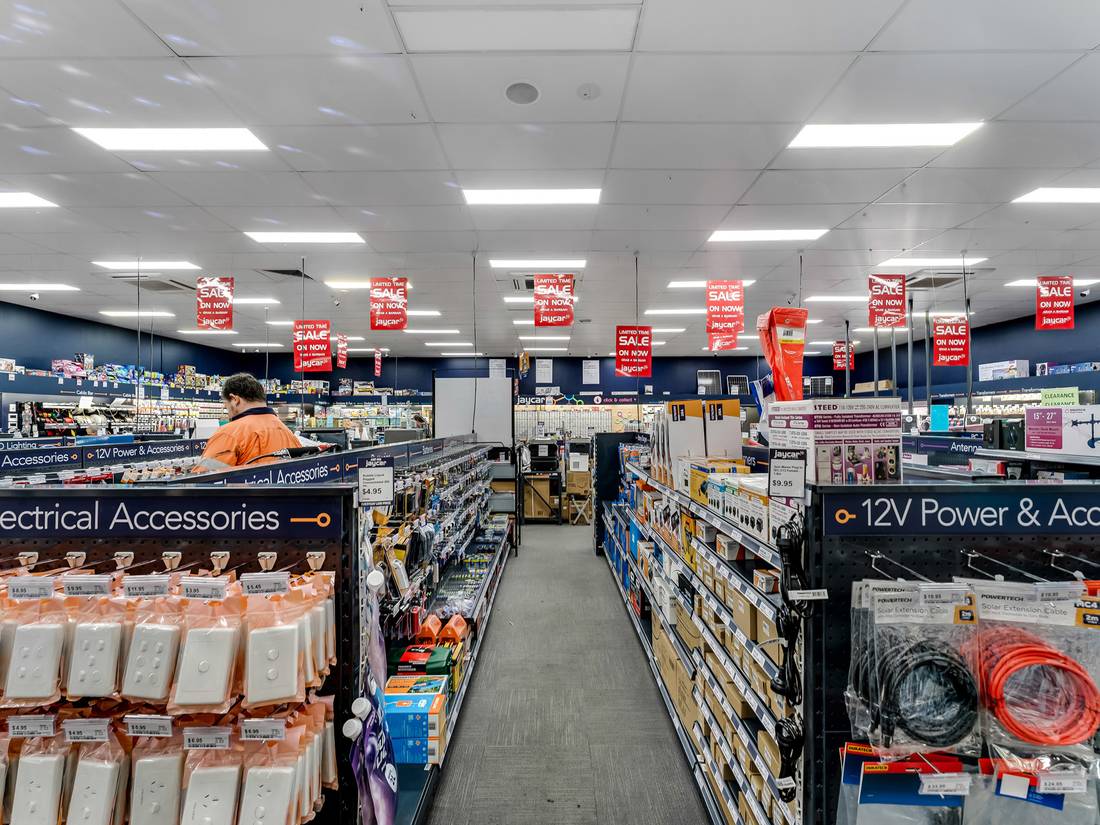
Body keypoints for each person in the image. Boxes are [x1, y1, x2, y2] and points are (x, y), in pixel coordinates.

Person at [194, 373, 301, 472]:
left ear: (235, 399)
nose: (226, 410)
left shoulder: (229, 434)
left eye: (226, 405)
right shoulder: (288, 432)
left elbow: (203, 478)